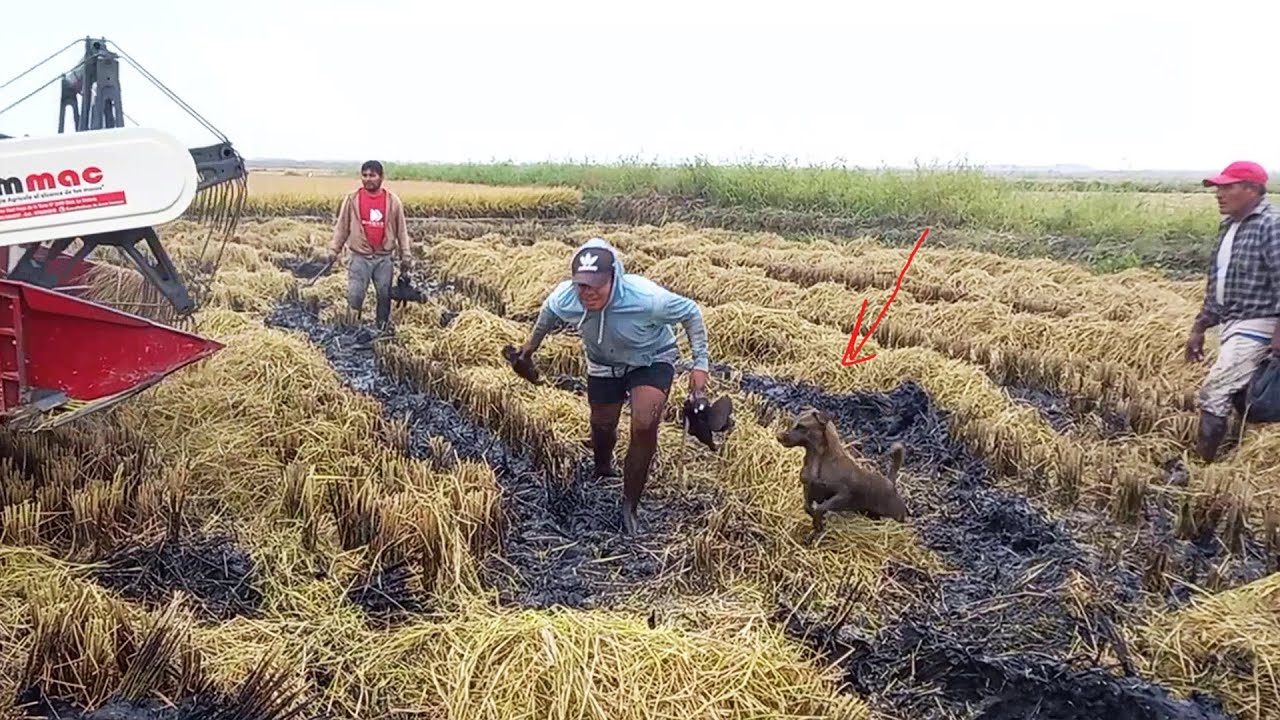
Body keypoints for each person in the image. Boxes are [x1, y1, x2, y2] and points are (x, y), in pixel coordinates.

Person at [515, 237, 711, 535]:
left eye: (596, 284)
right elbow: (547, 316)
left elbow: (691, 312)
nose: (588, 293)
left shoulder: (647, 298)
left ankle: (629, 504)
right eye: (581, 285)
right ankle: (603, 468)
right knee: (602, 423)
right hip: (603, 363)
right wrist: (528, 350)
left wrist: (700, 364)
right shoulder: (565, 298)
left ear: (614, 277)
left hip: (651, 359)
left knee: (645, 425)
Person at [1184, 160, 1280, 461]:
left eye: (1228, 187)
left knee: (1215, 391)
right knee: (1242, 392)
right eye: (1218, 188)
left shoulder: (1272, 225)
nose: (1219, 194)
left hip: (1258, 322)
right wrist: (1200, 327)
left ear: (1252, 189)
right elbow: (1221, 283)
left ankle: (1202, 465)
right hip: (1233, 321)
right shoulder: (1230, 226)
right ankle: (1236, 452)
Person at [328, 160, 413, 332]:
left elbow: (401, 230)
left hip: (384, 258)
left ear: (381, 177)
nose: (368, 179)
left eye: (372, 175)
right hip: (360, 257)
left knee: (384, 296)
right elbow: (342, 227)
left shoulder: (392, 201)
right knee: (355, 295)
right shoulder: (352, 200)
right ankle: (352, 330)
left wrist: (406, 255)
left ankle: (381, 328)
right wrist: (333, 249)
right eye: (365, 175)